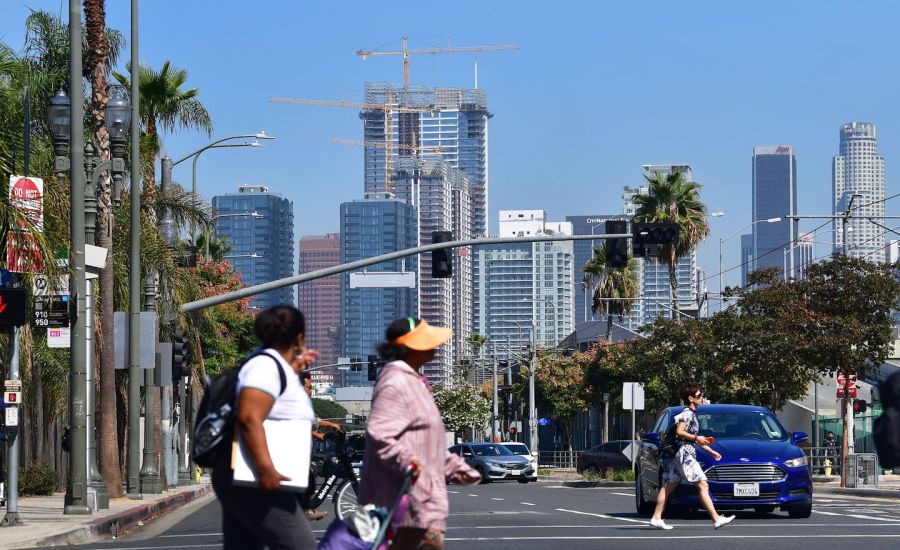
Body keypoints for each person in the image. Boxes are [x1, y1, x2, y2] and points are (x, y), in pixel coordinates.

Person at [359, 317, 482, 550]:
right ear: (412, 347)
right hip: (404, 508)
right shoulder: (395, 382)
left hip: (420, 504)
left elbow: (426, 444)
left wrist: (457, 468)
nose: (435, 346)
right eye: (428, 341)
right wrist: (410, 464)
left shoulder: (414, 382)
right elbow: (379, 433)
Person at [211, 305, 318, 550]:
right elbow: (249, 417)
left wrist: (295, 365)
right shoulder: (265, 367)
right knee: (301, 545)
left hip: (246, 478)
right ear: (299, 336)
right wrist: (266, 469)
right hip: (256, 479)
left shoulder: (271, 364)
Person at [649, 383, 735, 530]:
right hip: (685, 454)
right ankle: (716, 518)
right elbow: (680, 432)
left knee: (668, 486)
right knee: (703, 484)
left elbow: (693, 438)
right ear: (690, 398)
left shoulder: (691, 414)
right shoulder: (688, 413)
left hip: (681, 453)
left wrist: (711, 451)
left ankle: (656, 517)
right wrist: (696, 438)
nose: (701, 398)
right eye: (699, 396)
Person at [298, 370, 341, 522]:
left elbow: (314, 421)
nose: (311, 390)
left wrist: (329, 424)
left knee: (307, 480)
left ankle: (305, 508)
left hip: (303, 452)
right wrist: (317, 435)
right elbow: (298, 424)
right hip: (294, 453)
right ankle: (305, 509)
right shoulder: (294, 403)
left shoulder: (303, 404)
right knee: (305, 480)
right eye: (309, 387)